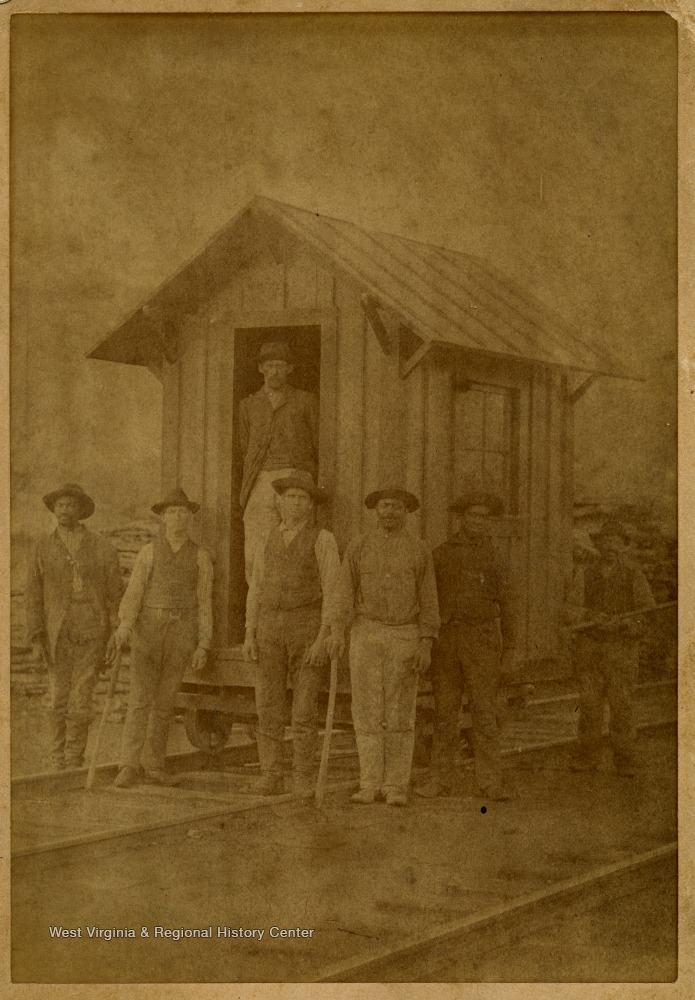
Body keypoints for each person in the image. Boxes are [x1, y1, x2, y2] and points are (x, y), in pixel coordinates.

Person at [330, 488, 440, 807]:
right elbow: (344, 592)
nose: (390, 511)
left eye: (396, 507)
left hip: (404, 635)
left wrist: (426, 644)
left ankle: (395, 786)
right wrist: (337, 631)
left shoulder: (419, 550)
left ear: (406, 512)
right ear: (375, 511)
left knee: (400, 714)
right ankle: (369, 784)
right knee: (366, 712)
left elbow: (429, 600)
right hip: (366, 633)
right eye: (384, 506)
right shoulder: (359, 546)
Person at [414, 494, 520, 802]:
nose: (478, 521)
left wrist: (510, 649)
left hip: (482, 641)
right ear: (461, 518)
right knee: (445, 713)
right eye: (473, 516)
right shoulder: (441, 554)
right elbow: (426, 601)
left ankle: (490, 782)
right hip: (447, 643)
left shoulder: (496, 557)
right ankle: (439, 779)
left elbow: (509, 605)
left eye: (484, 517)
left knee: (484, 712)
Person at [243, 472, 341, 801]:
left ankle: (302, 776)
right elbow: (255, 588)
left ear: (311, 506)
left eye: (302, 498)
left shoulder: (323, 539)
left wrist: (323, 637)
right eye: (290, 497)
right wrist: (250, 632)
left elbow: (333, 591)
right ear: (280, 502)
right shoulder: (266, 538)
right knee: (268, 704)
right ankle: (271, 774)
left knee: (303, 709)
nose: (296, 503)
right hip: (269, 627)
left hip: (306, 627)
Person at [112, 488, 213, 788]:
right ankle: (128, 765)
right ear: (163, 518)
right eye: (172, 512)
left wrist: (203, 644)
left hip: (181, 633)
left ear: (190, 517)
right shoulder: (149, 552)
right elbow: (134, 592)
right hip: (149, 631)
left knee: (165, 702)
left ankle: (154, 764)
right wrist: (125, 625)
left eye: (183, 512)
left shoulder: (201, 556)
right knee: (139, 700)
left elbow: (204, 602)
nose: (177, 517)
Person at [25, 483, 122, 770]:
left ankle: (74, 757)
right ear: (54, 510)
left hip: (92, 630)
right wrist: (36, 638)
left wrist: (115, 632)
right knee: (58, 696)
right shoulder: (42, 548)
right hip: (57, 634)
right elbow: (33, 596)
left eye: (70, 505)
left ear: (81, 510)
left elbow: (115, 594)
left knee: (81, 697)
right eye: (60, 505)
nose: (64, 510)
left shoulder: (102, 547)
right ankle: (57, 758)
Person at [567, 517, 656, 777]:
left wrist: (628, 624)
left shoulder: (634, 575)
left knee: (622, 707)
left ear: (623, 546)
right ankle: (587, 757)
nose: (611, 547)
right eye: (606, 541)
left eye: (616, 542)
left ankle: (625, 760)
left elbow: (647, 613)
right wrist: (589, 616)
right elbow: (570, 610)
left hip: (621, 651)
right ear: (600, 545)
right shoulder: (585, 574)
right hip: (591, 650)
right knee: (589, 706)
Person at [238, 341, 319, 584]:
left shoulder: (305, 400)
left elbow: (318, 443)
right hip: (261, 478)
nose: (274, 372)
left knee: (296, 538)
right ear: (261, 369)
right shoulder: (249, 405)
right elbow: (246, 446)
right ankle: (258, 599)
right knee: (256, 545)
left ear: (289, 369)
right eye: (269, 366)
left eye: (280, 366)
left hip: (295, 478)